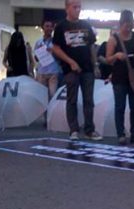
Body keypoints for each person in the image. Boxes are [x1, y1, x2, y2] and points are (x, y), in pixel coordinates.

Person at [52, 0, 102, 141]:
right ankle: (73, 130)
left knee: (88, 100)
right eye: (75, 7)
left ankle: (89, 130)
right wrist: (70, 61)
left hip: (87, 68)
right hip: (70, 69)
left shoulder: (85, 25)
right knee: (72, 100)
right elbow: (56, 48)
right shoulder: (61, 26)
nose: (78, 9)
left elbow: (92, 46)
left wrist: (95, 64)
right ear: (67, 8)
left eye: (79, 7)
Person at [106, 9, 134, 145]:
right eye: (126, 25)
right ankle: (120, 134)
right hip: (119, 77)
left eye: (131, 25)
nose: (128, 28)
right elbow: (108, 59)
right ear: (120, 24)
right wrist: (116, 56)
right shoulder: (113, 39)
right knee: (120, 107)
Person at [34, 19, 62, 100]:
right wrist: (39, 52)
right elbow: (36, 59)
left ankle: (51, 112)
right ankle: (43, 112)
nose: (49, 28)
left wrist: (53, 52)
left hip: (53, 72)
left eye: (51, 26)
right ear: (42, 27)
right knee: (42, 96)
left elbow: (61, 57)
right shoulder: (38, 42)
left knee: (53, 95)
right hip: (41, 72)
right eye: (47, 26)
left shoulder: (56, 42)